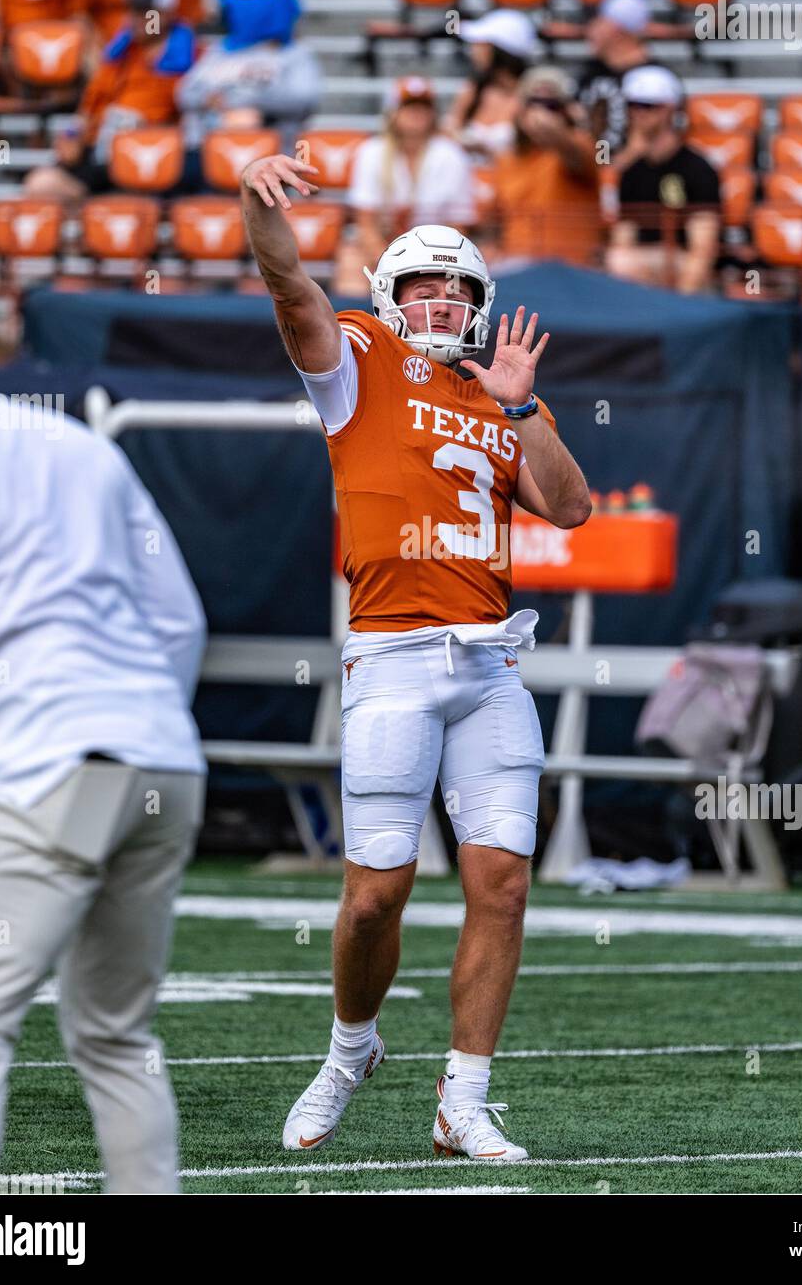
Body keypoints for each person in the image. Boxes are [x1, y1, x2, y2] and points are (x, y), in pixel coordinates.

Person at [240, 154, 591, 1161]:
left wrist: (522, 409)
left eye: (459, 286)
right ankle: (350, 1047)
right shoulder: (354, 362)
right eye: (425, 284)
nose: (442, 300)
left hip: (488, 667)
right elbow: (285, 283)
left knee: (503, 882)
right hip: (392, 657)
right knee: (372, 896)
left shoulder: (501, 393)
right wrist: (256, 207)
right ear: (390, 295)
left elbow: (567, 507)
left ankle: (463, 1099)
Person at [0, 263, 207, 1195]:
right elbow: (179, 620)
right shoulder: (76, 443)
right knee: (117, 1035)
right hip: (164, 763)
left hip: (47, 763)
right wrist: (130, 729)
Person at [24, 0, 195, 200]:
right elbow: (87, 111)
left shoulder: (191, 59)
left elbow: (193, 126)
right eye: (132, 10)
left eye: (145, 11)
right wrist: (71, 135)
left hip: (152, 160)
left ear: (166, 13)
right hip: (101, 153)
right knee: (41, 184)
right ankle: (95, 220)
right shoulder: (118, 56)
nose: (135, 18)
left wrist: (150, 134)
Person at [334, 76, 476, 293]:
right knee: (351, 261)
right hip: (383, 247)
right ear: (393, 113)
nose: (416, 114)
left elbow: (459, 227)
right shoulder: (371, 151)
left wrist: (428, 263)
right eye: (408, 107)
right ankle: (359, 325)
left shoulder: (450, 155)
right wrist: (392, 264)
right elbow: (365, 223)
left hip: (437, 252)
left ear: (433, 114)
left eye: (423, 108)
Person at [607, 63, 721, 292]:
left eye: (648, 105)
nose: (638, 112)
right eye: (632, 105)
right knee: (618, 259)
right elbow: (623, 236)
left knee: (622, 261)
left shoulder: (697, 168)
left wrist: (680, 305)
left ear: (670, 109)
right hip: (642, 268)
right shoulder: (631, 171)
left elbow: (703, 248)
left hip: (682, 265)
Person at [176, 0, 320, 150]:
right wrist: (209, 99)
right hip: (208, 151)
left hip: (271, 153)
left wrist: (244, 99)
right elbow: (185, 93)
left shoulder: (294, 54)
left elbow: (304, 98)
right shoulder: (220, 51)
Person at [492, 64, 604, 267]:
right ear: (521, 109)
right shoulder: (507, 158)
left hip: (571, 264)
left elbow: (575, 155)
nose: (541, 113)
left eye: (551, 105)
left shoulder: (582, 143)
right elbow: (494, 220)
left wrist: (553, 130)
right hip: (516, 262)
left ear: (566, 111)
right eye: (533, 103)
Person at [444, 9, 540, 164]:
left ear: (501, 51)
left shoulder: (533, 96)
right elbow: (448, 132)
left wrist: (487, 151)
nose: (474, 50)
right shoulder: (473, 89)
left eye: (483, 44)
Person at [577, 0, 652, 162]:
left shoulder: (654, 80)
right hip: (590, 173)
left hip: (634, 181)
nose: (589, 30)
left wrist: (610, 175)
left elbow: (650, 145)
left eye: (596, 22)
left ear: (615, 28)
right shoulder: (591, 72)